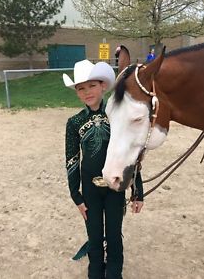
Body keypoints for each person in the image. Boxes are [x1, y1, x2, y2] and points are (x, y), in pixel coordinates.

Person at [63, 59, 144, 279]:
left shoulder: (116, 116)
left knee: (115, 235)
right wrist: (76, 195)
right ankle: (95, 273)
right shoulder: (74, 122)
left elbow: (130, 155)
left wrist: (138, 191)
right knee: (95, 235)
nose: (87, 91)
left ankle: (114, 273)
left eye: (92, 85)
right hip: (90, 190)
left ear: (103, 86)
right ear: (77, 93)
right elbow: (71, 159)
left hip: (115, 188)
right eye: (81, 88)